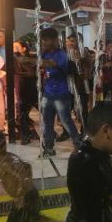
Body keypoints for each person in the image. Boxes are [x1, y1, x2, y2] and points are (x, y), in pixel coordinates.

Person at [38, 28, 79, 157]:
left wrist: (35, 60)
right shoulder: (44, 53)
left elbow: (52, 64)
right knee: (47, 122)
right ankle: (49, 148)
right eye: (43, 39)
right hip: (48, 93)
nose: (44, 42)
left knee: (66, 121)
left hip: (61, 94)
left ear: (55, 40)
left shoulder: (61, 54)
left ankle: (78, 145)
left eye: (46, 39)